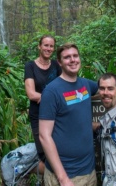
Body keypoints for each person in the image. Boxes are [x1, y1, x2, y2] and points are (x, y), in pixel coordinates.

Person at [39, 43, 98, 186]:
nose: (72, 60)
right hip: (66, 176)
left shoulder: (85, 84)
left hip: (89, 172)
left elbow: (108, 86)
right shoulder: (51, 91)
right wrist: (63, 178)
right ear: (59, 62)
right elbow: (44, 135)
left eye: (75, 56)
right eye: (67, 57)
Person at [24, 35, 62, 172]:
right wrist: (53, 99)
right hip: (38, 115)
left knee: (58, 150)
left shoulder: (57, 65)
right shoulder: (30, 66)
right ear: (39, 46)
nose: (48, 48)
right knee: (44, 153)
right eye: (46, 45)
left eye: (51, 46)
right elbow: (31, 94)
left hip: (57, 115)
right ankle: (27, 171)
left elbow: (64, 87)